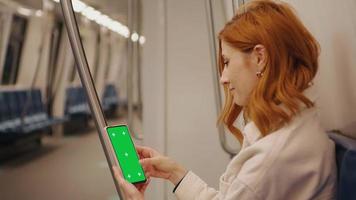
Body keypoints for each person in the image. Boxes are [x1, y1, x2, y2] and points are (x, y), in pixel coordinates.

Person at [113, 0, 337, 199]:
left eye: (227, 62)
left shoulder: (272, 157)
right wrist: (175, 173)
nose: (223, 78)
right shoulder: (291, 129)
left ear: (260, 58)